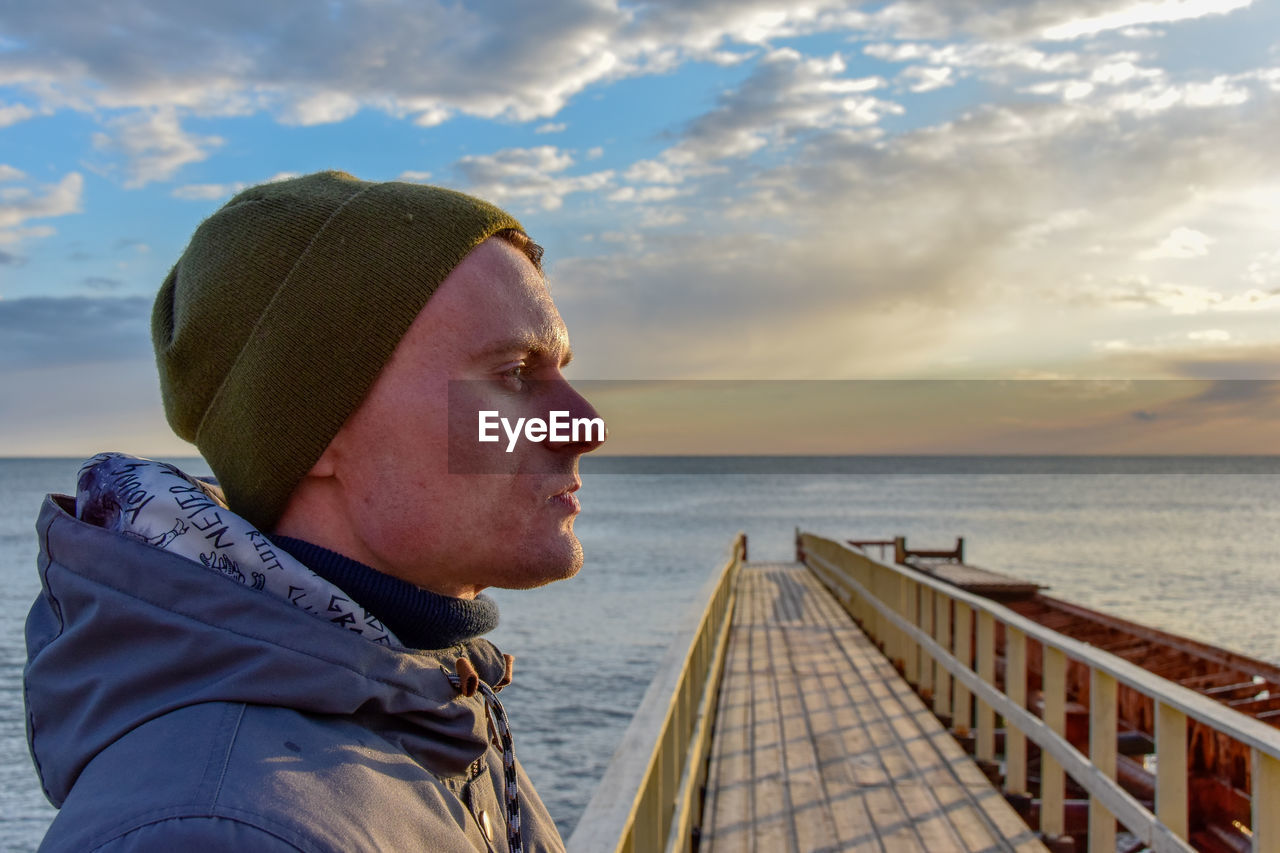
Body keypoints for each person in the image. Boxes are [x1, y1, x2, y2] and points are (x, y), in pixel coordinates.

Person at [24, 171, 605, 852]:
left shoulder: (425, 693)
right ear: (319, 430)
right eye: (512, 373)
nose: (583, 424)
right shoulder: (216, 831)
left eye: (562, 370)